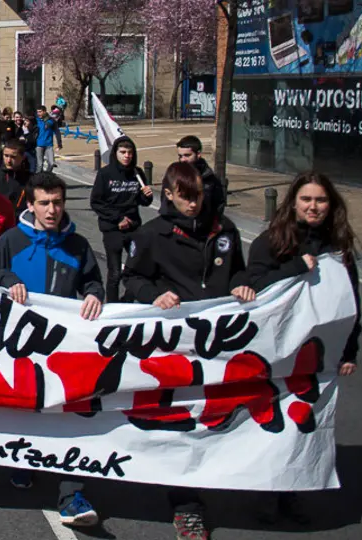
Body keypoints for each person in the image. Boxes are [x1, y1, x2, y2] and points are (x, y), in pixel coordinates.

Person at [121, 162, 256, 540]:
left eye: (200, 195)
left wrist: (243, 285)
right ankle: (187, 505)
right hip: (174, 348)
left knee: (220, 417)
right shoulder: (153, 235)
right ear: (170, 194)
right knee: (182, 423)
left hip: (219, 345)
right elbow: (132, 279)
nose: (195, 203)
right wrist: (154, 295)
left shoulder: (225, 230)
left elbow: (239, 271)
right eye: (187, 196)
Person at [0, 171, 105, 527]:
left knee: (69, 416)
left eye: (57, 202)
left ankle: (72, 496)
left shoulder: (78, 245)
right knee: (25, 412)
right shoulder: (11, 240)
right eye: (44, 203)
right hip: (19, 347)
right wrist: (8, 280)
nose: (52, 210)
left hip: (63, 348)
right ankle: (23, 461)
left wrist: (96, 293)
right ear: (31, 204)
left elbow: (93, 281)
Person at [244, 171, 361, 525]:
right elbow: (254, 286)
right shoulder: (271, 241)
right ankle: (264, 494)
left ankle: (291, 493)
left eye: (321, 200)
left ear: (331, 204)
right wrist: (295, 268)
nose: (314, 206)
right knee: (270, 422)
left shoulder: (338, 248)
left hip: (317, 355)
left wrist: (350, 349)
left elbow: (350, 300)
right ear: (293, 202)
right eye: (307, 199)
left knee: (304, 422)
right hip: (277, 351)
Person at [89, 136, 153, 302]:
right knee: (115, 272)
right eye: (123, 152)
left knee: (140, 268)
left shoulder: (137, 173)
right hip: (113, 229)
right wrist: (117, 218)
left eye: (130, 153)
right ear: (115, 153)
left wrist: (147, 196)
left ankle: (128, 300)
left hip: (133, 227)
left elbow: (143, 202)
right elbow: (96, 202)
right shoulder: (105, 174)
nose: (127, 156)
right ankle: (112, 304)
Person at [172, 135, 225, 226]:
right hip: (179, 230)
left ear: (198, 154)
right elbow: (167, 206)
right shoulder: (173, 176)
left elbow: (218, 205)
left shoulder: (210, 179)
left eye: (187, 155)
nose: (183, 160)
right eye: (180, 156)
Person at [0, 140, 32, 215]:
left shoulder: (30, 179)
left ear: (22, 157)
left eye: (13, 157)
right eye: (6, 156)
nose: (8, 160)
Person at [35, 106, 62, 172]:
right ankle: (38, 179)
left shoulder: (51, 120)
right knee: (40, 165)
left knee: (51, 163)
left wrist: (59, 144)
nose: (38, 113)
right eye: (37, 112)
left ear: (44, 111)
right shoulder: (35, 120)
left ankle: (47, 175)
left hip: (48, 145)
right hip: (38, 145)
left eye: (40, 112)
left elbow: (57, 132)